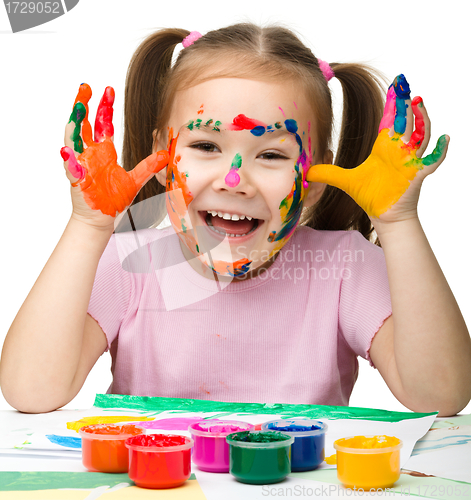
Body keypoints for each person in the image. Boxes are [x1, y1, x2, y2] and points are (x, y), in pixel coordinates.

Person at [1, 24, 470, 416]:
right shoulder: (129, 264)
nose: (233, 179)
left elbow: (441, 395)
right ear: (163, 157)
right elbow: (31, 391)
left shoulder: (344, 268)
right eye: (206, 146)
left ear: (315, 177)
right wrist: (88, 229)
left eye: (270, 154)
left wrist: (399, 222)